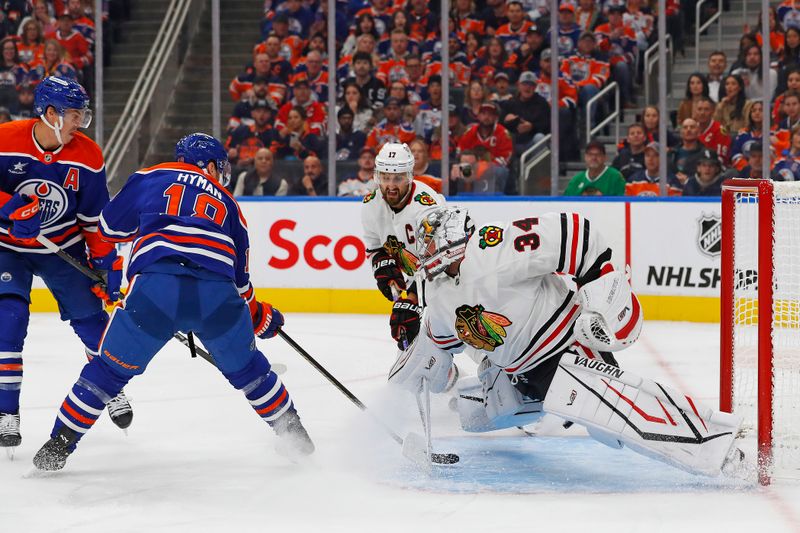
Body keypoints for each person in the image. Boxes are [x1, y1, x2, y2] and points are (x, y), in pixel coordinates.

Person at [388, 205, 742, 478]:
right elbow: (436, 349)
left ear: (452, 237)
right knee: (472, 414)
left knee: (614, 423)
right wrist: (410, 370)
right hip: (515, 372)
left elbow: (576, 233)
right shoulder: (437, 294)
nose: (425, 253)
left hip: (566, 349)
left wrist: (600, 291)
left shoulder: (496, 247)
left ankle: (718, 446)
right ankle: (517, 403)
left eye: (430, 243)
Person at [31, 133, 314, 471]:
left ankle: (58, 446)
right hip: (217, 296)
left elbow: (107, 228)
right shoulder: (230, 204)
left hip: (155, 289)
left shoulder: (151, 176)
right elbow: (241, 283)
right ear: (210, 166)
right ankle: (296, 436)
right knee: (252, 372)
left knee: (105, 372)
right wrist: (258, 315)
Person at [0, 77, 132, 452]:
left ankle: (109, 388)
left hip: (63, 244)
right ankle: (5, 412)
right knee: (7, 318)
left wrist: (106, 263)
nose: (81, 122)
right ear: (51, 113)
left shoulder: (87, 154)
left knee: (92, 321)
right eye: (75, 115)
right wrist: (8, 208)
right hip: (7, 246)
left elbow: (94, 219)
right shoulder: (6, 139)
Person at [361, 142, 444, 348]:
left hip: (448, 281)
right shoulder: (371, 203)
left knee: (454, 329)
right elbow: (374, 247)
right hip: (416, 280)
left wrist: (413, 299)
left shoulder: (427, 206)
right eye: (385, 177)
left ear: (408, 177)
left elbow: (439, 262)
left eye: (397, 178)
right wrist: (385, 270)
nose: (390, 185)